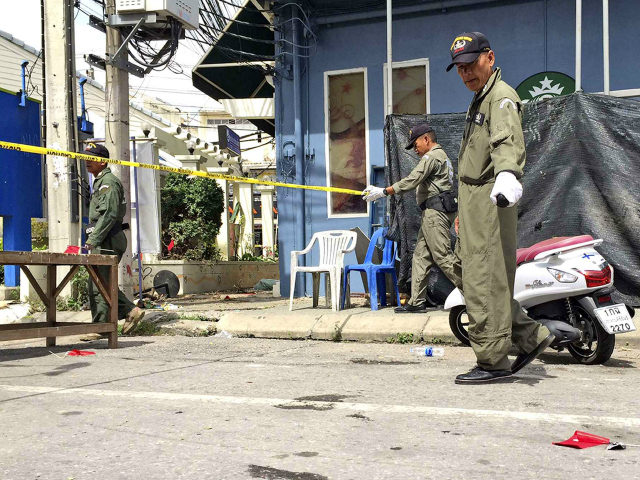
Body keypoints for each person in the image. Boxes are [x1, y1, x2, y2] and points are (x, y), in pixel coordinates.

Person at [446, 32, 555, 384]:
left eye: (471, 64)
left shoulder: (501, 97)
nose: (466, 74)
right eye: (460, 68)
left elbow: (506, 142)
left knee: (484, 280)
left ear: (489, 58)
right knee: (482, 276)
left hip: (493, 196)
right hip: (476, 200)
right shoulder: (481, 98)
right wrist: (466, 208)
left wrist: (508, 174)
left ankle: (493, 361)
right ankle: (530, 337)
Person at [362, 124, 462, 312]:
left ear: (426, 139)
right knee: (421, 257)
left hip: (435, 212)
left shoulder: (432, 156)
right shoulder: (442, 157)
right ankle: (417, 301)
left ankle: (475, 294)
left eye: (415, 144)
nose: (415, 150)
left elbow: (413, 179)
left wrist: (385, 191)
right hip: (435, 211)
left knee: (442, 257)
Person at [83, 143, 144, 335]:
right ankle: (126, 313)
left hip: (107, 238)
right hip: (105, 237)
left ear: (102, 161)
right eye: (86, 157)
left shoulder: (108, 182)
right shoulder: (100, 182)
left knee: (98, 282)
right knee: (101, 281)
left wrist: (93, 238)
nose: (87, 161)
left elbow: (109, 214)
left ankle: (102, 326)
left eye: (91, 157)